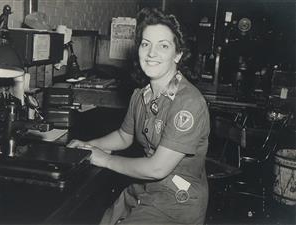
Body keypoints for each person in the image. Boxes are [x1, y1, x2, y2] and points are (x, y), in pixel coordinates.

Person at [68, 7, 210, 225]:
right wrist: (88, 147)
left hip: (176, 202)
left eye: (163, 45)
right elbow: (124, 136)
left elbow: (157, 168)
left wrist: (104, 158)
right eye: (146, 44)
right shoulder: (141, 95)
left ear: (178, 54)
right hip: (143, 189)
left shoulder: (188, 103)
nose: (151, 53)